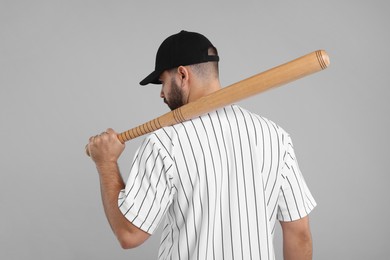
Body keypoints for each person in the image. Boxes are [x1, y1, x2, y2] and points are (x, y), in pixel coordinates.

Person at [87, 30, 317, 260]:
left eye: (163, 82)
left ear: (182, 75)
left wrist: (106, 162)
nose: (161, 93)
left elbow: (129, 234)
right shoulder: (275, 137)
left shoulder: (164, 143)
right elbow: (299, 234)